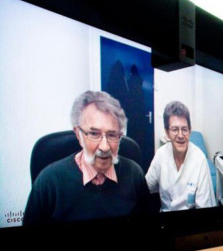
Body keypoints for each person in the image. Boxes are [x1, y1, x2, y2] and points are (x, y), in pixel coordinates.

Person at [23, 91, 150, 224]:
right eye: (94, 134)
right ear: (78, 135)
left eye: (112, 135)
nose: (105, 147)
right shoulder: (48, 183)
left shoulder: (134, 174)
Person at [146, 101, 215, 211]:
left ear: (190, 131)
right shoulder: (160, 155)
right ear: (167, 133)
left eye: (184, 129)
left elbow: (205, 209)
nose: (180, 135)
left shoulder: (199, 159)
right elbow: (147, 188)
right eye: (174, 129)